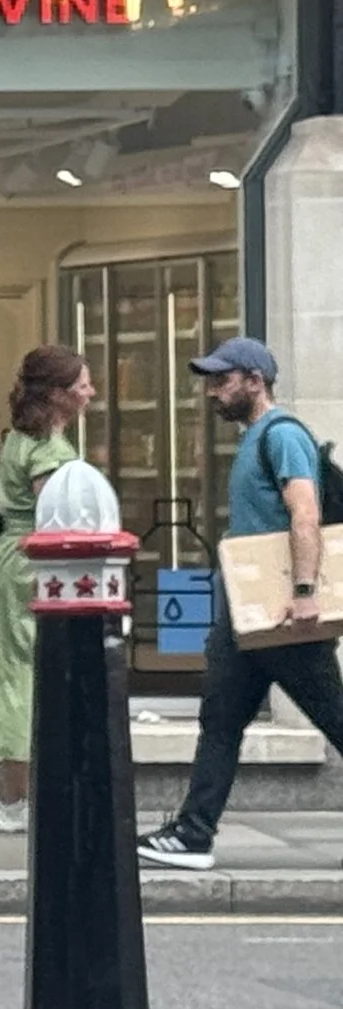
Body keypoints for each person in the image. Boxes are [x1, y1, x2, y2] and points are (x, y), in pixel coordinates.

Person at [139, 339, 343, 870]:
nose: (212, 391)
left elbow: (304, 514)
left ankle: (193, 830)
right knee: (220, 720)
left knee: (336, 720)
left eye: (221, 380)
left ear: (255, 380)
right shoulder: (255, 438)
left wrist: (304, 596)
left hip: (284, 612)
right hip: (249, 613)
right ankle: (193, 833)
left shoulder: (283, 436)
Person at [0, 346, 93, 834]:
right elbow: (54, 518)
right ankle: (15, 795)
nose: (90, 392)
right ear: (57, 395)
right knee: (27, 676)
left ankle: (11, 780)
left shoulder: (19, 438)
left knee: (13, 670)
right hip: (34, 566)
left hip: (6, 562)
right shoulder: (49, 452)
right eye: (82, 385)